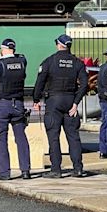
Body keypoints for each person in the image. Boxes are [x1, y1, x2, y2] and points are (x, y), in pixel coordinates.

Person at [33, 34, 88, 178]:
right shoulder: (77, 63)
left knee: (53, 137)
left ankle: (56, 169)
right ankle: (78, 169)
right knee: (73, 137)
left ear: (58, 44)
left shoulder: (49, 61)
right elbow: (84, 84)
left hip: (54, 102)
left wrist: (36, 99)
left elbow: (39, 82)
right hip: (71, 102)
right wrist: (76, 102)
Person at [0, 38, 31, 181]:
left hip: (2, 104)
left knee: (1, 138)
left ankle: (4, 172)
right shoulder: (22, 62)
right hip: (18, 105)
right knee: (21, 138)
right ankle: (25, 171)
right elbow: (20, 59)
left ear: (3, 49)